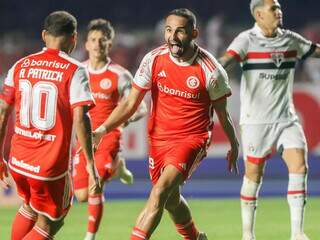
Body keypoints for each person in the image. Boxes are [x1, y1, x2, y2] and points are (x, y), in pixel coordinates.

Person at [92, 8, 239, 240]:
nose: (172, 36)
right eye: (169, 30)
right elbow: (130, 102)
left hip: (192, 139)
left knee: (159, 193)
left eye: (180, 31)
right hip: (159, 140)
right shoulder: (153, 59)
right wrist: (102, 129)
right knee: (171, 200)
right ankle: (196, 237)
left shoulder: (211, 71)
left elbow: (223, 113)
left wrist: (234, 143)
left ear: (194, 33)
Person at [218, 1, 320, 239]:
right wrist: (211, 72)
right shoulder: (246, 40)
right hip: (256, 122)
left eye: (279, 7)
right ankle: (247, 233)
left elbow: (315, 50)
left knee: (300, 167)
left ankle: (297, 233)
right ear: (259, 14)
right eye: (273, 9)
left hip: (287, 119)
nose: (279, 12)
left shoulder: (290, 39)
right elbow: (226, 60)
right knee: (254, 175)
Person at [0, 11, 100, 240]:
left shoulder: (20, 66)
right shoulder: (75, 70)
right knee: (50, 221)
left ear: (44, 35)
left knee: (29, 207)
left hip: (19, 161)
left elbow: (3, 114)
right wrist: (91, 165)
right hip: (49, 167)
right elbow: (80, 119)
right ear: (74, 38)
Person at [72, 18, 147, 240]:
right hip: (85, 137)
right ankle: (117, 167)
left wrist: (123, 122)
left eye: (102, 40)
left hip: (109, 136)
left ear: (109, 45)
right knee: (81, 195)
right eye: (93, 40)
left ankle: (90, 236)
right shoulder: (77, 71)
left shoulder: (119, 74)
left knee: (95, 186)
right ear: (85, 44)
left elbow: (140, 107)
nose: (97, 44)